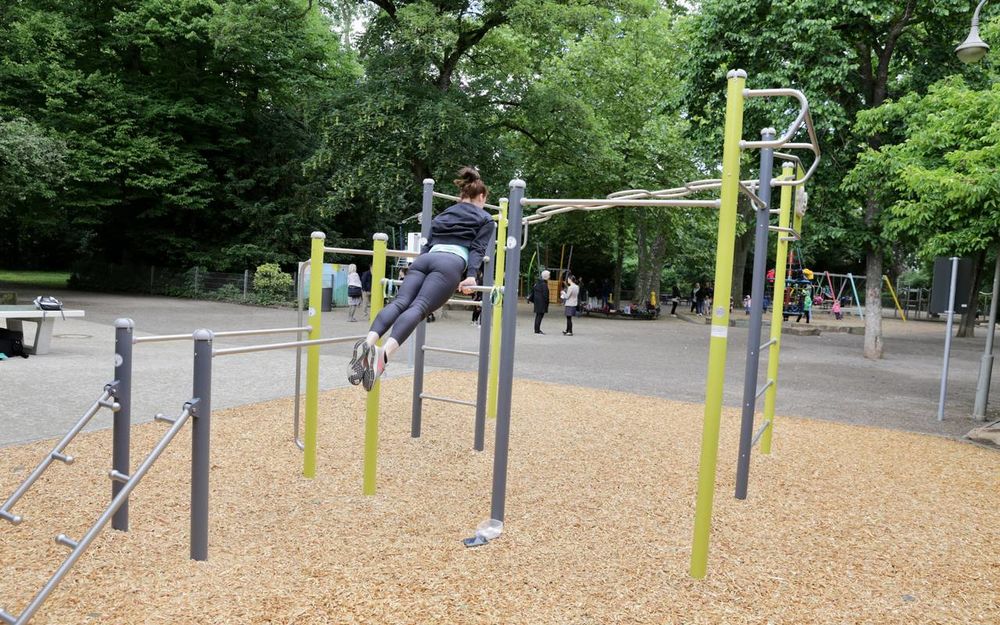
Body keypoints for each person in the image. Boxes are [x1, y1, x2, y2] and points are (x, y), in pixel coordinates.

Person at [349, 167, 493, 391]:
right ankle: (382, 356)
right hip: (450, 262)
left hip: (424, 260)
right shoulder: (485, 218)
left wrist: (415, 267)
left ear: (460, 196)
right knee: (419, 308)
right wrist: (471, 277)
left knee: (399, 303)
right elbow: (477, 248)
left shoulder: (443, 215)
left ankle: (368, 342)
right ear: (481, 196)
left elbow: (426, 244)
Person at [528, 270, 550, 334]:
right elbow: (545, 295)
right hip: (542, 303)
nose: (549, 276)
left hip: (537, 302)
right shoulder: (544, 284)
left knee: (538, 316)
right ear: (546, 276)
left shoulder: (537, 283)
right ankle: (537, 330)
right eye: (549, 275)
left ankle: (536, 329)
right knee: (539, 316)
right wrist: (547, 302)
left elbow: (533, 292)